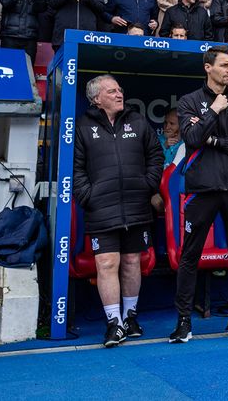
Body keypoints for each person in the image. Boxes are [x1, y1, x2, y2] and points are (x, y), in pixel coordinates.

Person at [171, 45, 228, 343]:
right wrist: (213, 110)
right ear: (208, 67)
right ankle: (184, 321)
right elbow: (193, 137)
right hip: (202, 191)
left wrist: (216, 141)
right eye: (224, 65)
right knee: (189, 256)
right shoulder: (189, 101)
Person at [73, 75, 163, 347]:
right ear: (96, 99)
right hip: (101, 208)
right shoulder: (83, 126)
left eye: (119, 89)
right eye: (111, 91)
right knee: (106, 263)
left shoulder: (138, 121)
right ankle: (114, 323)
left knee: (132, 261)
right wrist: (88, 196)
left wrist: (147, 186)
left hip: (136, 206)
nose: (119, 94)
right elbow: (76, 168)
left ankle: (130, 317)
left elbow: (155, 156)